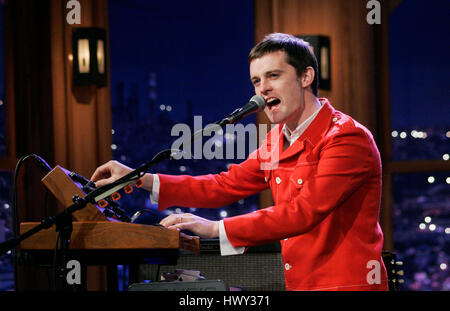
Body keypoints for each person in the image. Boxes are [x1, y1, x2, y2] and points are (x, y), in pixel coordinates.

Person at [91, 33, 388, 291]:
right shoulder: (275, 140)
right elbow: (224, 185)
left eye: (274, 76)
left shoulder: (346, 138)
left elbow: (303, 212)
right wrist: (137, 179)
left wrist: (215, 229)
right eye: (256, 81)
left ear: (306, 77)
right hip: (300, 284)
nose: (262, 89)